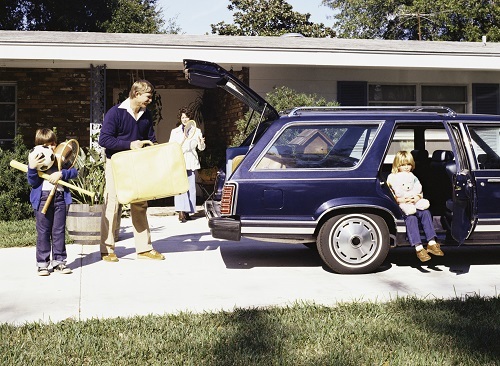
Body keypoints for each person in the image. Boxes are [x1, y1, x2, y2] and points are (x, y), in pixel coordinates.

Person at [98, 79, 165, 262]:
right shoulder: (115, 113)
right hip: (116, 164)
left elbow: (150, 137)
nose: (150, 100)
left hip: (137, 165)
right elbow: (104, 140)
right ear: (136, 94)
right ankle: (107, 250)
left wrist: (154, 150)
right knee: (112, 204)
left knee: (140, 205)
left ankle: (144, 249)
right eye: (148, 96)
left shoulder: (146, 115)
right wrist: (129, 144)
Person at [27, 128, 78, 276]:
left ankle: (59, 262)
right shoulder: (37, 159)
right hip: (42, 199)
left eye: (53, 144)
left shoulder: (60, 159)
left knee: (59, 231)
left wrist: (61, 173)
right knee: (43, 231)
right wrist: (31, 168)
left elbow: (74, 172)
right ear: (39, 146)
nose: (51, 148)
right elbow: (32, 182)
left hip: (60, 198)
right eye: (46, 145)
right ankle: (42, 264)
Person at [387, 150, 445, 262]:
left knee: (426, 213)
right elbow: (390, 194)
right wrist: (400, 200)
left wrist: (417, 197)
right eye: (403, 165)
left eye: (409, 164)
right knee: (411, 218)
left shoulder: (413, 176)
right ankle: (418, 247)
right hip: (403, 206)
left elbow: (419, 190)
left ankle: (432, 242)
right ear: (397, 165)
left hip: (415, 202)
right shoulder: (392, 177)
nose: (406, 167)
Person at [169, 107, 206, 222]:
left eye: (186, 117)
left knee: (190, 187)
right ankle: (181, 211)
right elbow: (172, 147)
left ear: (191, 119)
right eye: (182, 117)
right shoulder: (175, 132)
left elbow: (201, 148)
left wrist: (201, 143)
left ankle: (188, 211)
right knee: (180, 187)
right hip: (179, 160)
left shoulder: (197, 131)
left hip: (191, 160)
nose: (184, 119)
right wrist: (183, 139)